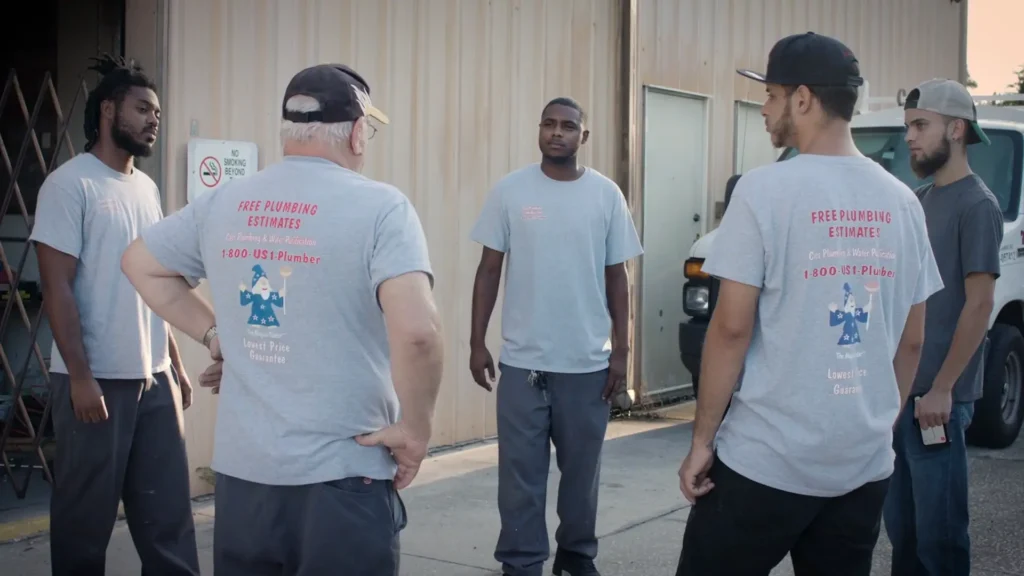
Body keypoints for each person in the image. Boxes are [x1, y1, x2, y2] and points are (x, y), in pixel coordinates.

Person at [120, 63, 444, 576]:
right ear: (358, 133)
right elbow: (420, 335)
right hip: (343, 479)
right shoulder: (382, 209)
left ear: (287, 130)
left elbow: (139, 264)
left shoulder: (223, 202)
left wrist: (214, 334)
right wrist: (415, 431)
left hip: (245, 482)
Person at [674, 32, 944, 576]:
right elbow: (912, 339)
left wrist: (702, 440)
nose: (765, 108)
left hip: (765, 463)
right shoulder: (904, 204)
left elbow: (730, 331)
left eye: (770, 95)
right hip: (862, 468)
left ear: (802, 99)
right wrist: (873, 427)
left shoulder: (762, 190)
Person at [30, 55, 199, 575]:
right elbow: (57, 287)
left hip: (153, 381)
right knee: (86, 522)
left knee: (168, 516)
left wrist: (173, 362)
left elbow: (155, 282)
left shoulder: (145, 189)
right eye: (143, 108)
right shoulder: (69, 185)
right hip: (95, 382)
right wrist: (80, 377)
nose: (154, 119)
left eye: (157, 112)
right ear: (108, 111)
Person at [469, 97, 643, 576]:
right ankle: (522, 562)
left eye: (568, 126)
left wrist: (622, 355)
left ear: (583, 137)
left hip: (586, 365)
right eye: (549, 124)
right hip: (524, 364)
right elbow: (488, 271)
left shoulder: (606, 196)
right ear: (539, 130)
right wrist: (476, 342)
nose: (557, 133)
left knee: (581, 476)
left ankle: (576, 555)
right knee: (520, 476)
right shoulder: (510, 191)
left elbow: (618, 278)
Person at [883, 78, 1002, 576]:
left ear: (956, 129)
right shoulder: (920, 199)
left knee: (941, 538)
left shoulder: (978, 205)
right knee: (903, 535)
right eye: (909, 125)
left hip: (939, 405)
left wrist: (943, 390)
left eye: (920, 125)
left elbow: (979, 305)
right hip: (903, 396)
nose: (909, 136)